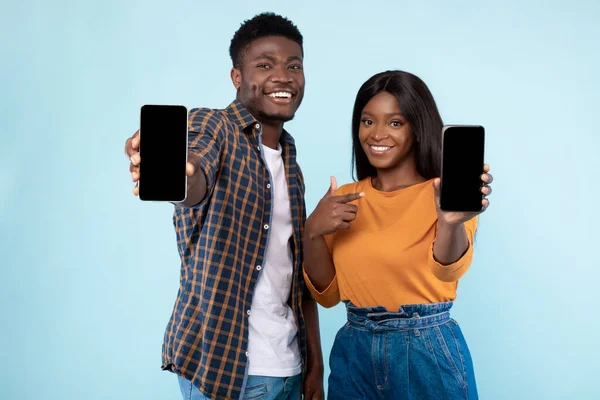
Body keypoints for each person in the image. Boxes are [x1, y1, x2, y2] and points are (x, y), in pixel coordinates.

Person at [124, 12, 324, 400]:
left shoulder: (291, 163)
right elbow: (195, 175)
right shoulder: (214, 126)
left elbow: (296, 281)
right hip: (230, 374)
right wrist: (178, 174)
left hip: (290, 369)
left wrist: (315, 367)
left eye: (293, 65)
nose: (283, 76)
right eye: (265, 65)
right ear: (237, 77)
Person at [302, 70, 493, 399]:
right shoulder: (345, 196)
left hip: (425, 349)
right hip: (354, 348)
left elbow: (448, 269)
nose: (377, 134)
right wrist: (312, 232)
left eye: (395, 123)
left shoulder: (443, 193)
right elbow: (327, 297)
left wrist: (450, 222)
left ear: (418, 129)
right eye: (367, 121)